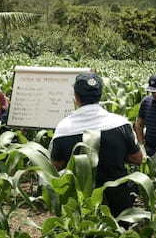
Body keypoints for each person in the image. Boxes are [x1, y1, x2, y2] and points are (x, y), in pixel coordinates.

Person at [50, 73, 143, 218]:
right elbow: (137, 159)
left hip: (81, 206)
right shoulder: (121, 124)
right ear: (101, 95)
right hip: (118, 204)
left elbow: (56, 166)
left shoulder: (63, 129)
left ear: (76, 96)